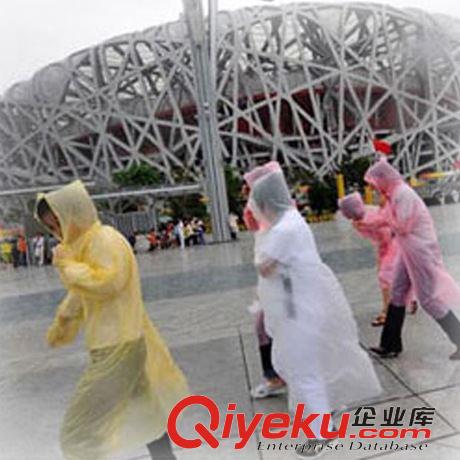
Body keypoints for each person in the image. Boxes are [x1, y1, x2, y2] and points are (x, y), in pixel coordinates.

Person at [35, 180, 189, 460]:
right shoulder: (86, 244)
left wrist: (67, 266)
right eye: (51, 228)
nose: (57, 233)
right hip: (120, 342)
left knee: (78, 433)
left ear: (73, 213)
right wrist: (63, 323)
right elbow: (81, 296)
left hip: (117, 346)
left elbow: (107, 283)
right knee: (147, 416)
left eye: (58, 223)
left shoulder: (104, 240)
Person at [244, 161, 381, 457]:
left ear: (267, 203)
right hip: (306, 304)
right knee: (312, 365)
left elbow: (264, 266)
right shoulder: (292, 219)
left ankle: (320, 432)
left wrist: (260, 242)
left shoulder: (282, 229)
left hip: (297, 310)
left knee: (303, 370)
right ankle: (327, 414)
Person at [365, 158, 460, 359]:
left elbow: (403, 226)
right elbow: (388, 219)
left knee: (428, 299)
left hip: (420, 251)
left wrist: (384, 221)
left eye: (375, 182)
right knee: (398, 293)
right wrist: (367, 221)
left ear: (384, 178)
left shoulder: (402, 194)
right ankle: (390, 344)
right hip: (407, 249)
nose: (375, 187)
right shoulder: (393, 194)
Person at [339, 192, 417, 327]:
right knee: (391, 275)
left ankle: (387, 312)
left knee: (385, 276)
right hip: (384, 246)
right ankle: (411, 298)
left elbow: (386, 230)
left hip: (394, 243)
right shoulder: (360, 219)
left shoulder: (368, 217)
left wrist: (367, 226)